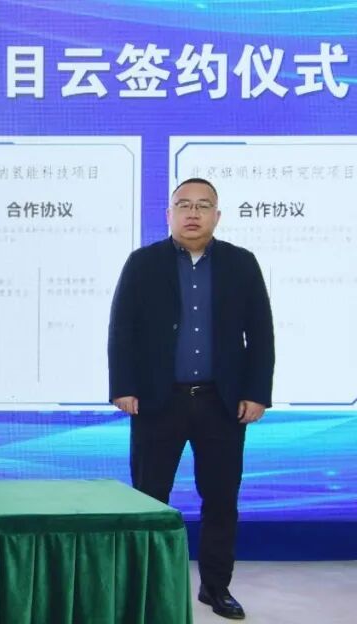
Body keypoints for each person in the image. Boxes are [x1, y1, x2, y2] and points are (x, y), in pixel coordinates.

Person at [108, 178, 274, 620]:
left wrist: (257, 392)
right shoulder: (143, 263)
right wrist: (123, 386)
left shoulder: (241, 263)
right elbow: (122, 329)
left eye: (203, 205)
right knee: (149, 497)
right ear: (169, 215)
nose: (193, 213)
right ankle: (145, 587)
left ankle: (216, 587)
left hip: (222, 403)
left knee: (221, 498)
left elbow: (260, 333)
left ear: (217, 215)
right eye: (184, 205)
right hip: (158, 401)